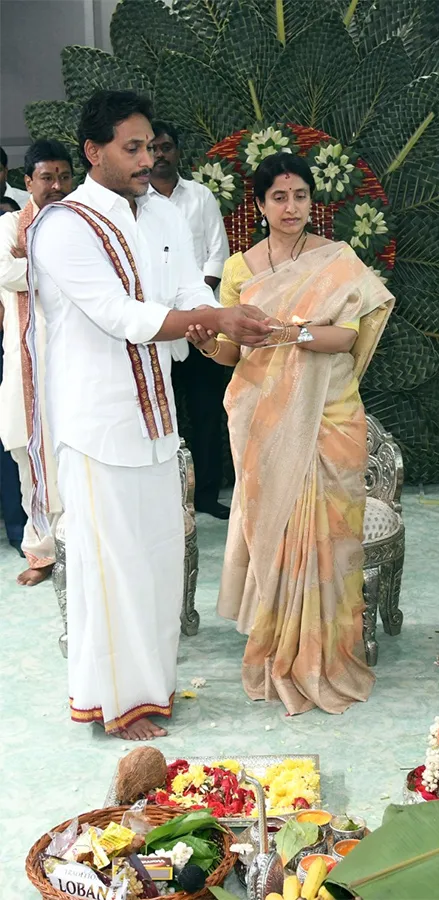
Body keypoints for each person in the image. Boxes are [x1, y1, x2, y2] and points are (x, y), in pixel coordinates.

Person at [26, 90, 273, 741]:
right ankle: (115, 705)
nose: (146, 159)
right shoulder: (65, 225)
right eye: (131, 148)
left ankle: (150, 690)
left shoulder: (162, 212)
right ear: (93, 151)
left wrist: (216, 324)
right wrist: (213, 318)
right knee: (112, 569)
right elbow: (121, 316)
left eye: (149, 146)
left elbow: (188, 288)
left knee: (159, 563)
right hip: (97, 423)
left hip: (157, 417)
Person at [188, 152, 393, 715]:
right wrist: (206, 342)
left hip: (330, 414)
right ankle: (278, 647)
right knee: (276, 534)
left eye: (300, 195)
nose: (291, 206)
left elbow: (345, 338)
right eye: (278, 197)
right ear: (259, 205)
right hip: (265, 420)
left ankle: (329, 653)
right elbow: (233, 353)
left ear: (311, 202)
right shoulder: (240, 269)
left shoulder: (337, 260)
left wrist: (286, 332)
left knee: (328, 535)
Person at [149, 121, 233, 518]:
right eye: (152, 148)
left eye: (166, 147)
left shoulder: (200, 196)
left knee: (206, 412)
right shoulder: (136, 202)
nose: (159, 155)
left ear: (178, 152)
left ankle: (207, 496)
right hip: (157, 326)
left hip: (203, 326)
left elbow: (218, 254)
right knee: (161, 415)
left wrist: (195, 305)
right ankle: (166, 499)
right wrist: (172, 313)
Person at [0, 139, 74, 585]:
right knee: (29, 453)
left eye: (64, 176)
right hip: (26, 363)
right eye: (47, 177)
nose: (57, 185)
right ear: (28, 181)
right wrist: (57, 268)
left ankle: (77, 546)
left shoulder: (81, 222)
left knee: (75, 453)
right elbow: (7, 273)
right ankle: (42, 550)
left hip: (75, 363)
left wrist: (33, 262)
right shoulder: (9, 224)